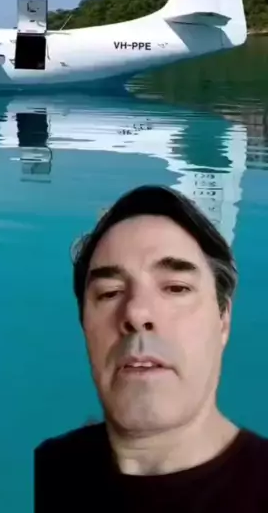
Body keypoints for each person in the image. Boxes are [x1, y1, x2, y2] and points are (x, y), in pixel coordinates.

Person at [34, 185, 268, 510]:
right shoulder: (45, 470)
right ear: (84, 325)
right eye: (109, 293)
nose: (136, 312)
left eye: (175, 288)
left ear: (223, 320)